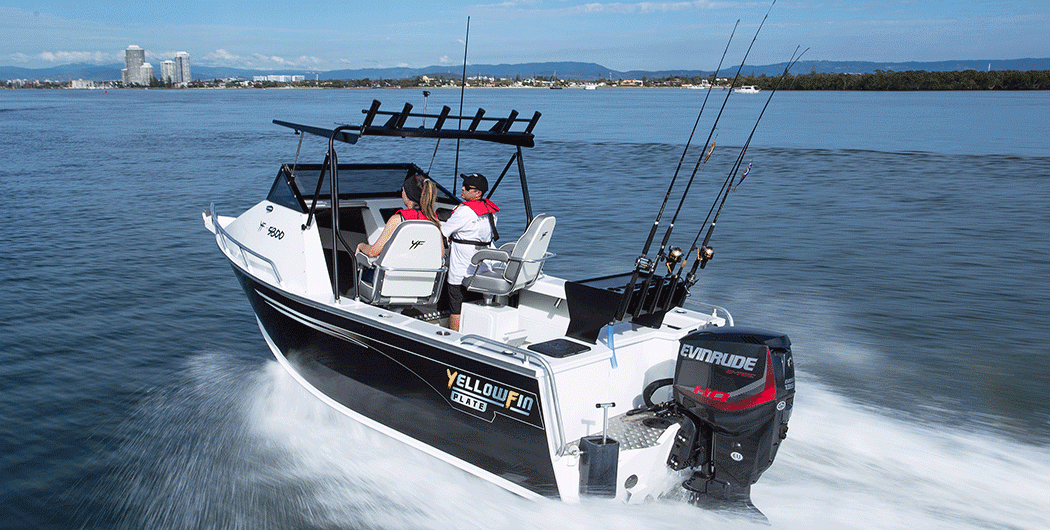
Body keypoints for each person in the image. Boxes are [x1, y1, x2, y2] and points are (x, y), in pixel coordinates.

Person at [442, 173, 499, 331]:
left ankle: (452, 339)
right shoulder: (491, 212)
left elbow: (444, 231)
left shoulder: (464, 212)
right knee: (472, 303)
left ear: (477, 193)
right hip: (483, 268)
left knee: (456, 308)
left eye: (467, 187)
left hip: (461, 272)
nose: (462, 188)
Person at [357, 173, 442, 257]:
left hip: (398, 269)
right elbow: (441, 254)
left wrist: (361, 246)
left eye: (403, 190)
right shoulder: (432, 219)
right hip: (425, 269)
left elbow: (373, 252)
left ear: (408, 195)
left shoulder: (397, 220)